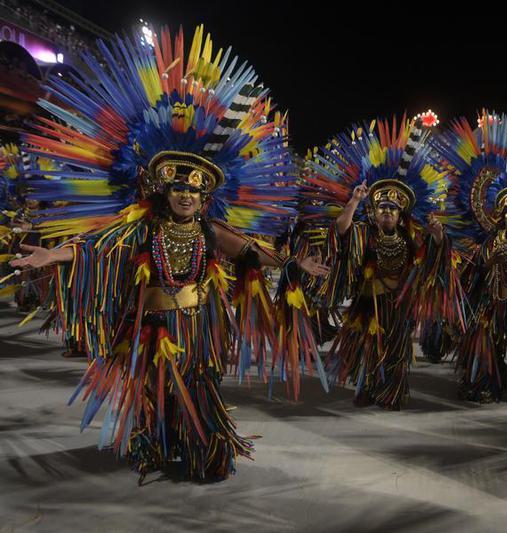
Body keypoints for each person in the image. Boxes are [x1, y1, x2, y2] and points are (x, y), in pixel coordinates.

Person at [8, 25, 327, 482]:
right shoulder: (143, 224)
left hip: (197, 327)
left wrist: (293, 263)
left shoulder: (210, 229)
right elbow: (99, 246)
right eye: (178, 188)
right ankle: (156, 444)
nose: (185, 196)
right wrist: (55, 256)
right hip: (152, 325)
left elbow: (250, 252)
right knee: (153, 390)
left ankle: (203, 450)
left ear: (204, 197)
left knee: (197, 386)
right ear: (165, 190)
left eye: (193, 191)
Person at [302, 118, 464, 409]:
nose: (387, 212)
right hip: (367, 304)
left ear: (401, 215)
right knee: (367, 349)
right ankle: (367, 388)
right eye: (382, 208)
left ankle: (391, 392)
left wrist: (438, 236)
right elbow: (341, 231)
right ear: (374, 212)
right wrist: (354, 201)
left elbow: (434, 259)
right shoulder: (365, 233)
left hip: (398, 307)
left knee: (396, 351)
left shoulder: (410, 237)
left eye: (393, 208)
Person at [432, 113, 507, 404]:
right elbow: (478, 265)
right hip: (490, 301)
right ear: (499, 214)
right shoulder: (491, 241)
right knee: (482, 337)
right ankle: (484, 382)